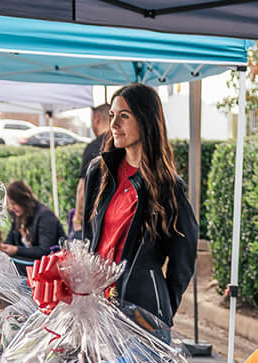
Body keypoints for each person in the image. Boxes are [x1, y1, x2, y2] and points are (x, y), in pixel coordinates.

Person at [79, 84, 198, 340]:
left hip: (140, 315)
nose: (114, 124)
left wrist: (160, 312)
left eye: (124, 116)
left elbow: (183, 260)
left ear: (145, 119)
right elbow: (89, 240)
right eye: (112, 115)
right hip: (97, 306)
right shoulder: (98, 172)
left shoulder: (167, 186)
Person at [0, 180, 66, 273]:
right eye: (10, 204)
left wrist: (17, 250)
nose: (11, 208)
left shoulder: (45, 216)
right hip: (30, 269)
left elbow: (45, 251)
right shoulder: (19, 216)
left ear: (22, 200)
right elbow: (11, 239)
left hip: (49, 271)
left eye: (14, 204)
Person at [72, 103, 110, 237]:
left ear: (96, 117)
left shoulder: (93, 148)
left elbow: (82, 189)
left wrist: (77, 219)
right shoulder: (121, 145)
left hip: (94, 218)